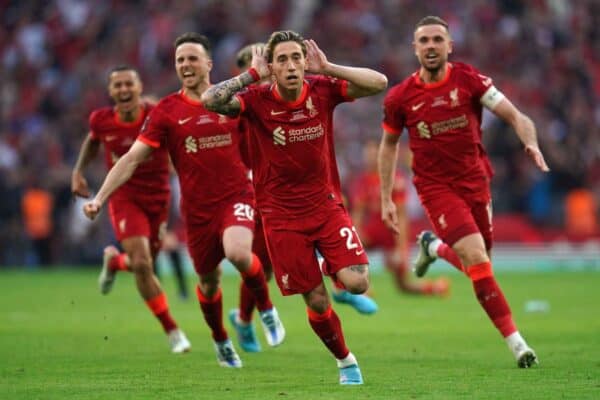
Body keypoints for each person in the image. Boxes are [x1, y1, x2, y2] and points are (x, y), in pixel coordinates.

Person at [82, 33, 284, 369]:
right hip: (197, 211)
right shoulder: (166, 112)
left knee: (238, 252)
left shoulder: (235, 101)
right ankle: (221, 339)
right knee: (207, 281)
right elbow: (131, 158)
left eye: (192, 58)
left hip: (236, 196)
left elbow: (269, 127)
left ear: (208, 63)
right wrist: (99, 198)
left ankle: (266, 310)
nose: (186, 65)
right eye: (180, 60)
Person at [202, 30, 388, 384]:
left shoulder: (322, 89)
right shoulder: (256, 99)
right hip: (281, 218)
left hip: (326, 207)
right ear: (271, 66)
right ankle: (346, 361)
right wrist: (250, 75)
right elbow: (210, 100)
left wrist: (329, 67)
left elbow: (379, 82)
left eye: (296, 58)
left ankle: (324, 262)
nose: (290, 65)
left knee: (358, 283)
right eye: (282, 59)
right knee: (317, 302)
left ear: (306, 61)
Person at [378, 16, 549, 368]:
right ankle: (519, 345)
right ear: (415, 48)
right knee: (478, 261)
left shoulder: (469, 80)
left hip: (476, 180)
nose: (430, 46)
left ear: (449, 45)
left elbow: (516, 116)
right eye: (423, 40)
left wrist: (530, 142)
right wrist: (384, 197)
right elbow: (388, 146)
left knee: (481, 262)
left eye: (437, 39)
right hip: (436, 188)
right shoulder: (400, 97)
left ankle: (433, 247)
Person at [71, 66, 190, 354]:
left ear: (139, 88)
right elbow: (93, 141)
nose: (124, 90)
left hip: (158, 199)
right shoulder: (101, 120)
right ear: (111, 92)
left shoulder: (158, 114)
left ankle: (113, 263)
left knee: (144, 263)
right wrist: (78, 172)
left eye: (129, 84)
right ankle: (172, 330)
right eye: (118, 85)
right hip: (125, 198)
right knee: (142, 263)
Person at [350, 140, 449, 296]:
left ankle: (435, 287)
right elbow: (358, 213)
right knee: (351, 248)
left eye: (373, 154)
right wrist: (355, 236)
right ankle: (361, 286)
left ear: (380, 155)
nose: (369, 158)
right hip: (373, 230)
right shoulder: (362, 181)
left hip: (392, 232)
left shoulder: (395, 179)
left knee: (403, 285)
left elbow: (402, 216)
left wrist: (401, 249)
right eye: (367, 154)